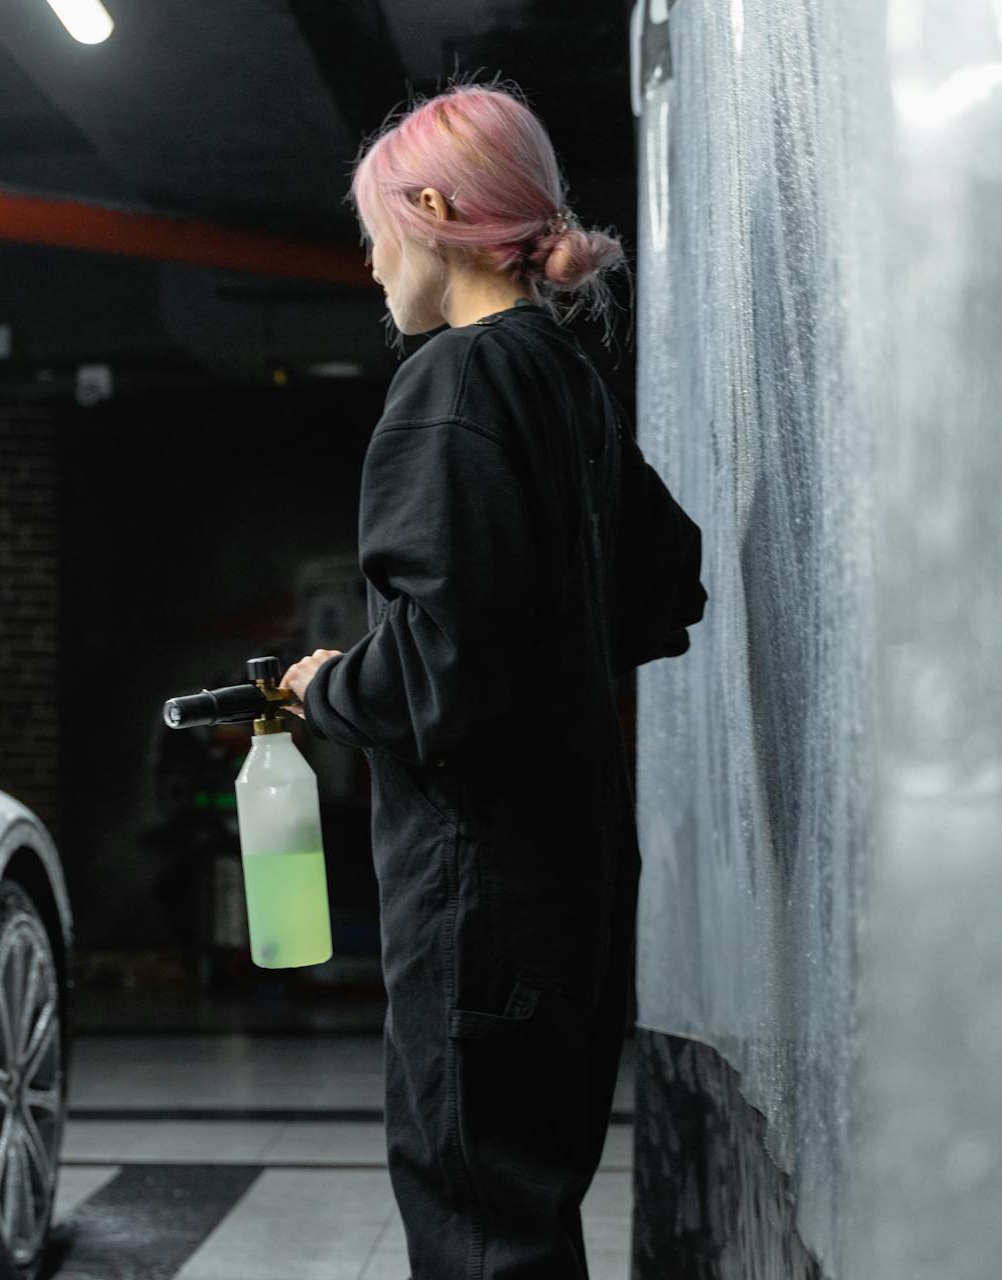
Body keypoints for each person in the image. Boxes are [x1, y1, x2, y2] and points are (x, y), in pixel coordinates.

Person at [277, 80, 708, 1280]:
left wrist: (326, 687)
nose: (371, 267)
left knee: (475, 1223)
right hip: (576, 882)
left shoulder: (456, 381)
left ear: (430, 209)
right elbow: (666, 582)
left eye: (376, 233)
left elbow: (436, 670)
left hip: (480, 892)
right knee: (526, 1215)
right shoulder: (564, 380)